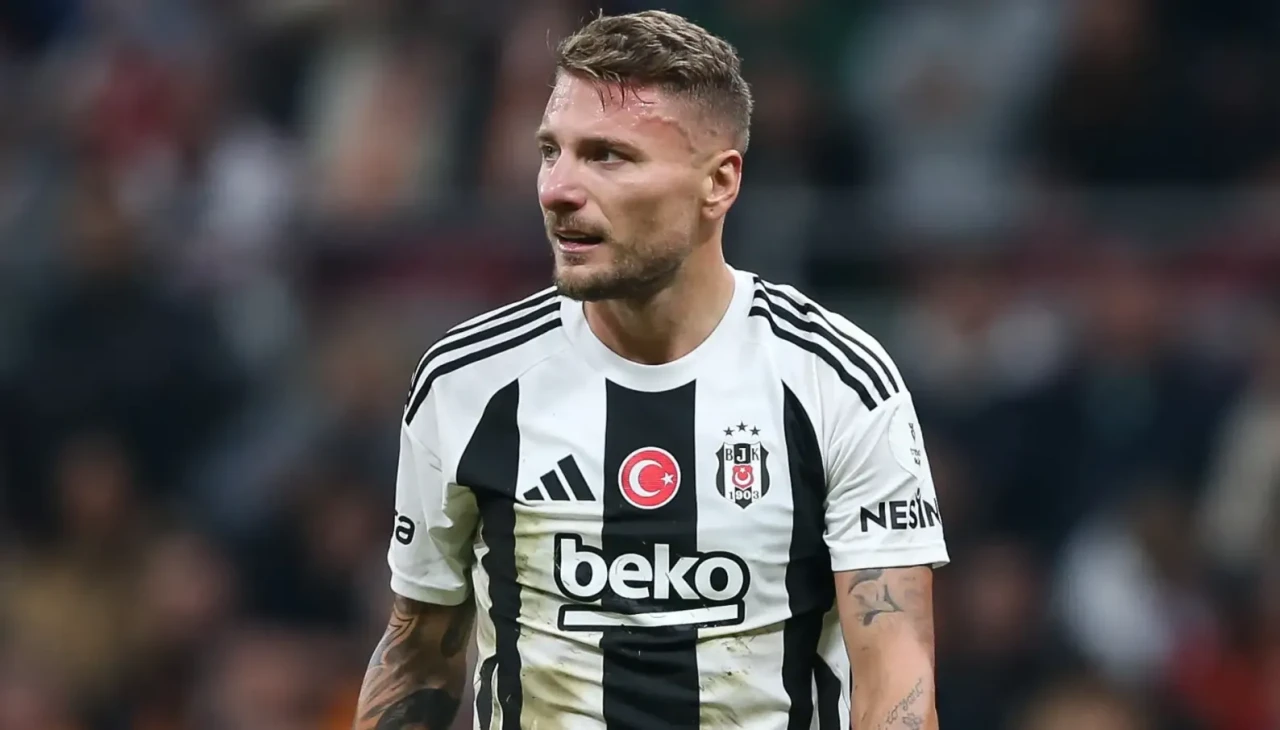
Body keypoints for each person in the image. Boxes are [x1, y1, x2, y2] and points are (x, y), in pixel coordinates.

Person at [353, 10, 948, 730]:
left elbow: (897, 688)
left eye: (608, 156)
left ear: (718, 183)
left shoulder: (835, 382)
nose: (557, 189)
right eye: (551, 151)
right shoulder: (468, 382)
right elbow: (418, 654)